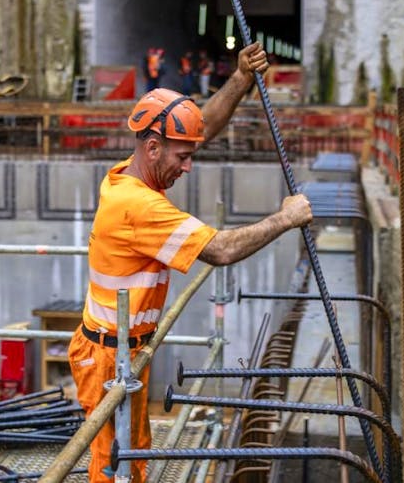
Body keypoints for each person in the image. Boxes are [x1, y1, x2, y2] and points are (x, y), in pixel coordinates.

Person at [68, 42, 312, 482]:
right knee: (112, 464)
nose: (189, 167)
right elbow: (220, 251)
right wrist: (285, 218)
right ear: (155, 147)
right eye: (183, 157)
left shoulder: (133, 174)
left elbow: (201, 130)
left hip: (122, 349)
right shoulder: (139, 206)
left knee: (133, 454)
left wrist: (239, 80)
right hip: (107, 358)